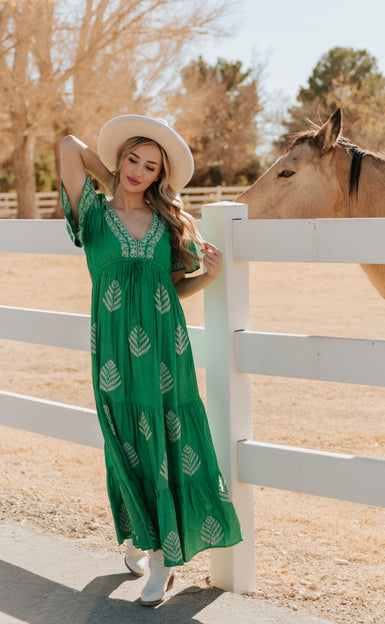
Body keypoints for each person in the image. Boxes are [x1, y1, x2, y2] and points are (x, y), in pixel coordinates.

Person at [60, 115, 243, 606]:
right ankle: (136, 535)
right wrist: (113, 181)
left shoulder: (167, 224)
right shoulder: (93, 215)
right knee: (123, 439)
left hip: (165, 352)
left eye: (151, 167)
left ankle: (162, 562)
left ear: (162, 177)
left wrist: (210, 276)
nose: (140, 171)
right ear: (119, 161)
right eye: (133, 160)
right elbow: (69, 144)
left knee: (166, 440)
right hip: (113, 353)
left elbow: (172, 289)